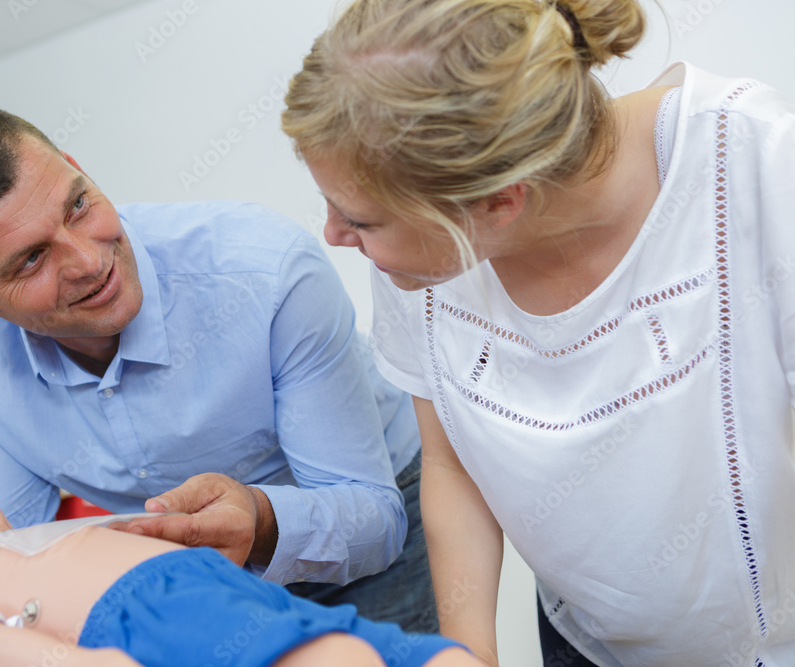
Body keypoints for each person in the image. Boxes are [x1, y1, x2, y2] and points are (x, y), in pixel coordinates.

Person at [0, 110, 435, 666]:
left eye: (78, 204)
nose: (88, 260)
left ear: (77, 168)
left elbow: (372, 520)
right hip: (189, 577)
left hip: (365, 521)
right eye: (30, 260)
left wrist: (263, 521)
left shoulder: (263, 272)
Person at [281, 0, 795, 666]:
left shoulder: (755, 167)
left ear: (498, 203)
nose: (334, 235)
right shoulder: (424, 257)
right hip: (583, 638)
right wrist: (468, 652)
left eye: (363, 221)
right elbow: (449, 462)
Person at [0, 491, 480, 667]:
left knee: (371, 643)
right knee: (324, 651)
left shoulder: (3, 549)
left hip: (206, 586)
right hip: (141, 614)